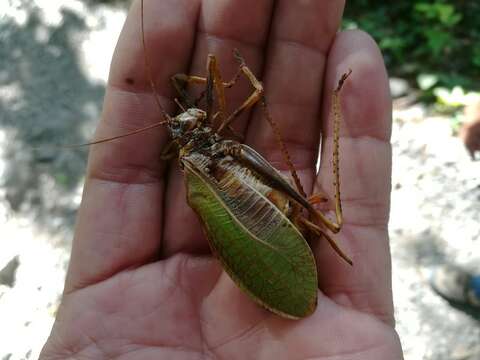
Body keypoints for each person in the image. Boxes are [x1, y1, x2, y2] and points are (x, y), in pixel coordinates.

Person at [40, 0, 403, 358]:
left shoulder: (206, 139)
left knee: (318, 211)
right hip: (249, 209)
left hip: (260, 202)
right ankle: (331, 116)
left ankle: (308, 192)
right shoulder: (197, 161)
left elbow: (198, 87)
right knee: (322, 213)